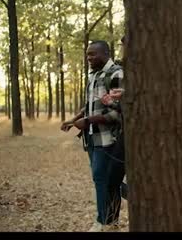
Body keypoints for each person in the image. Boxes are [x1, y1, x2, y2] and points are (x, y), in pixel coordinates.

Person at [61, 40, 125, 232]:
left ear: (105, 53)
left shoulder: (116, 73)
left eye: (93, 54)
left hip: (109, 137)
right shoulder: (94, 75)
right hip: (92, 137)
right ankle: (109, 221)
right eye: (87, 54)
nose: (89, 58)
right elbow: (90, 104)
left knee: (102, 177)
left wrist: (88, 121)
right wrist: (74, 120)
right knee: (103, 178)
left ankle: (102, 221)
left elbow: (117, 113)